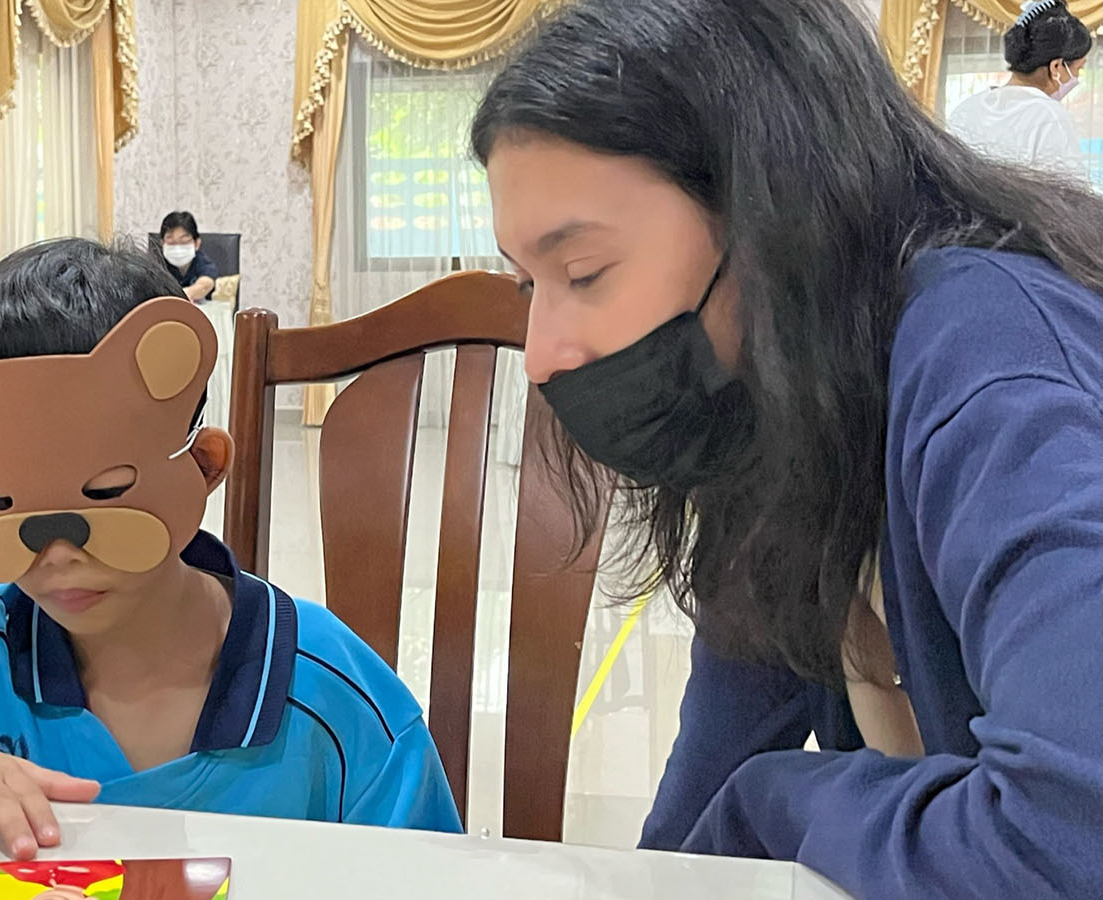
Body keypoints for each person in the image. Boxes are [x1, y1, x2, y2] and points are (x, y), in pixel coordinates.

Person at [470, 0, 1101, 898]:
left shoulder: (990, 359)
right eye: (527, 282)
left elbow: (1072, 842)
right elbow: (712, 769)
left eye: (582, 274)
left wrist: (773, 802)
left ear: (773, 208)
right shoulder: (781, 406)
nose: (539, 353)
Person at [0, 239, 461, 859]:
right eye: (0, 503)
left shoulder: (326, 690)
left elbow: (432, 876)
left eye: (104, 495)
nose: (56, 553)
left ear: (204, 465)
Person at [948, 0, 1093, 184]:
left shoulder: (966, 109)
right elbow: (1070, 202)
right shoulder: (1049, 116)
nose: (1076, 78)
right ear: (1056, 66)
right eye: (1078, 69)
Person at [159, 211, 218, 301]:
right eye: (171, 242)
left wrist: (188, 293)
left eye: (184, 242)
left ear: (197, 243)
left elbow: (207, 283)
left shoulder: (202, 262)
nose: (177, 248)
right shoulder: (156, 264)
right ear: (162, 243)